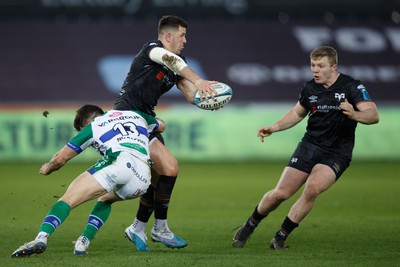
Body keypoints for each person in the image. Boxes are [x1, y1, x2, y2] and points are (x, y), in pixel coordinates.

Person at [87, 15, 217, 252]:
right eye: (182, 35)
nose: (185, 40)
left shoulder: (180, 62)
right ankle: (160, 228)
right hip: (128, 119)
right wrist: (199, 80)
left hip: (146, 121)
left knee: (156, 180)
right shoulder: (153, 50)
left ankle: (137, 228)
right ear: (168, 36)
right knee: (170, 167)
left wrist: (208, 98)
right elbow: (170, 60)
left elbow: (189, 94)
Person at [232, 46, 379, 250]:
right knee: (281, 193)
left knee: (312, 189)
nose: (315, 70)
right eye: (312, 65)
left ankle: (280, 237)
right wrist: (273, 127)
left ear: (334, 66)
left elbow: (373, 115)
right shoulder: (310, 88)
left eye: (320, 66)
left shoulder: (351, 86)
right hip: (310, 146)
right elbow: (296, 114)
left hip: (337, 152)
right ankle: (248, 227)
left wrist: (354, 114)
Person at [11, 104, 162, 257]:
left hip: (120, 161)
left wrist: (48, 168)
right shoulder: (135, 115)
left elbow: (61, 159)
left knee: (68, 199)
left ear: (87, 123)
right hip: (143, 178)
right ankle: (83, 241)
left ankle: (41, 238)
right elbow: (161, 125)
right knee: (105, 199)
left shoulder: (94, 126)